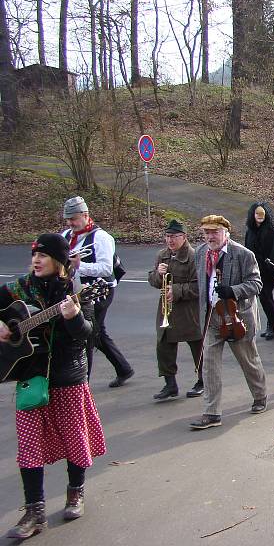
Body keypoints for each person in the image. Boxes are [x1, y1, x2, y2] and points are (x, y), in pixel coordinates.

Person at [0, 234, 106, 538]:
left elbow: (88, 332)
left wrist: (73, 318)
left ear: (58, 262)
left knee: (74, 437)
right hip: (31, 377)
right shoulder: (19, 288)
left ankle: (76, 491)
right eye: (34, 255)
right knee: (29, 444)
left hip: (67, 376)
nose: (36, 260)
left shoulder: (74, 290)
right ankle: (34, 511)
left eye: (42, 256)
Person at [189, 215, 269, 430]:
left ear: (226, 232)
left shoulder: (243, 254)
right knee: (209, 365)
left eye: (214, 232)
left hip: (237, 318)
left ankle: (260, 396)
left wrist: (233, 291)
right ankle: (212, 413)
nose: (209, 236)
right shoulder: (200, 253)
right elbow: (197, 283)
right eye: (206, 232)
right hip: (212, 318)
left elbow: (256, 284)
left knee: (248, 361)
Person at [61, 196, 134, 388]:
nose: (70, 223)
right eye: (68, 219)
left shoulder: (102, 238)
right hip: (77, 291)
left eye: (73, 218)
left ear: (85, 215)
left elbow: (105, 268)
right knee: (97, 332)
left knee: (87, 335)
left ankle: (82, 383)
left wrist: (79, 266)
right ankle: (124, 368)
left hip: (99, 291)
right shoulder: (66, 235)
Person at [147, 219, 204, 400]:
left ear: (184, 237)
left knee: (197, 346)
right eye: (167, 236)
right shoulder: (162, 255)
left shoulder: (194, 257)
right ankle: (170, 384)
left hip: (188, 310)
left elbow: (199, 286)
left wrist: (177, 290)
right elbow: (153, 281)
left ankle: (203, 381)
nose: (170, 240)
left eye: (174, 237)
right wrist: (158, 274)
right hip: (167, 310)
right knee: (164, 346)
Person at [244, 201, 274, 340]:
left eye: (262, 213)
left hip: (268, 271)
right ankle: (267, 325)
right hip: (254, 270)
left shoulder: (272, 231)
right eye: (257, 213)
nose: (259, 216)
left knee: (265, 296)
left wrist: (273, 270)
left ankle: (272, 326)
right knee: (259, 298)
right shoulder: (250, 231)